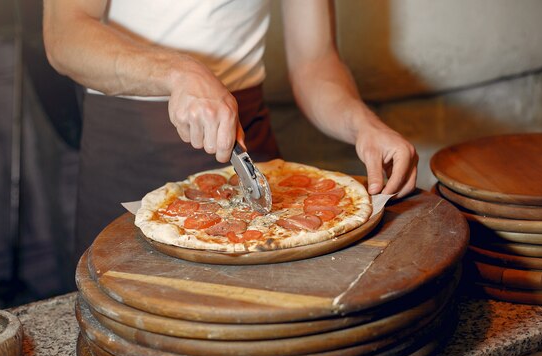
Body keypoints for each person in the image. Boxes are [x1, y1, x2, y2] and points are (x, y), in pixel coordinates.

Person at [43, 0, 418, 259]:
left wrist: (362, 123)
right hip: (127, 150)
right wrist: (180, 73)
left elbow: (315, 60)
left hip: (249, 151)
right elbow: (65, 36)